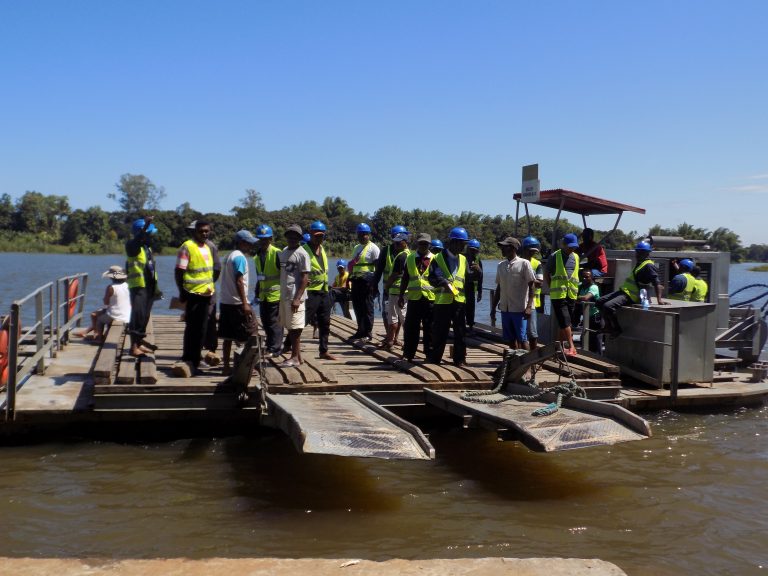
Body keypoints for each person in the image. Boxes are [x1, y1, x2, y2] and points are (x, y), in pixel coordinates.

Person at [596, 241, 664, 337]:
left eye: (641, 252)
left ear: (647, 253)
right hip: (624, 292)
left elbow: (657, 283)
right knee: (599, 302)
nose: (637, 254)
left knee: (608, 306)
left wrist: (659, 300)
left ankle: (616, 329)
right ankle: (608, 326)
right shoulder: (640, 264)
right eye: (637, 252)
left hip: (632, 295)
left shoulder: (648, 266)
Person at [174, 220, 215, 375]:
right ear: (195, 232)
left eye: (206, 231)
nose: (204, 234)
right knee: (192, 328)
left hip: (206, 294)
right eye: (201, 231)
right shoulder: (187, 247)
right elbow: (179, 271)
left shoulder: (207, 247)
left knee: (201, 330)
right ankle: (188, 358)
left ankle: (196, 359)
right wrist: (182, 292)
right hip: (192, 294)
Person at [218, 230, 259, 375]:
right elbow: (239, 280)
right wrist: (245, 303)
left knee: (228, 336)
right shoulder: (240, 258)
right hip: (237, 303)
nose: (250, 246)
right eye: (248, 243)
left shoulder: (228, 256)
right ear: (242, 243)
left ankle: (226, 367)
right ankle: (249, 366)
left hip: (225, 302)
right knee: (252, 333)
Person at [428, 227, 469, 366]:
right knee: (440, 332)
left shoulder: (464, 259)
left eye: (464, 244)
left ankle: (460, 359)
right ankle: (435, 359)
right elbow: (432, 277)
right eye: (461, 243)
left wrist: (477, 273)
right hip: (443, 301)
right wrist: (444, 283)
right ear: (453, 242)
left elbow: (467, 278)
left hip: (459, 302)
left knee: (460, 332)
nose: (463, 246)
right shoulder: (438, 258)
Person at [187, 220, 222, 366]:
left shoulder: (210, 246)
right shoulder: (190, 246)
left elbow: (217, 268)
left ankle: (210, 349)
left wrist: (209, 284)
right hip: (193, 292)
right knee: (194, 321)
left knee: (208, 319)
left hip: (207, 291)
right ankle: (195, 352)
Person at [125, 216, 160, 357]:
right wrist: (146, 226)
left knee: (145, 316)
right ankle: (133, 347)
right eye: (149, 233)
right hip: (138, 286)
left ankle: (139, 344)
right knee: (138, 315)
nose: (152, 236)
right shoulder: (132, 246)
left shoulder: (147, 248)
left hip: (149, 286)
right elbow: (138, 238)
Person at [303, 220, 337, 360]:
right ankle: (288, 345)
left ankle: (324, 351)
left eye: (322, 236)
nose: (319, 238)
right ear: (310, 234)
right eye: (316, 235)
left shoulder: (322, 249)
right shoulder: (303, 250)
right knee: (302, 321)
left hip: (323, 291)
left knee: (325, 322)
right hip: (310, 292)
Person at [492, 237, 535, 350]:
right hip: (505, 309)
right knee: (510, 339)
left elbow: (532, 286)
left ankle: (527, 365)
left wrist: (529, 306)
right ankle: (514, 363)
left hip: (519, 309)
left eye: (504, 247)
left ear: (512, 248)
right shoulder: (500, 265)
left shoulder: (524, 263)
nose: (502, 249)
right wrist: (493, 308)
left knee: (522, 338)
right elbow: (499, 288)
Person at [398, 233, 435, 362]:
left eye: (426, 243)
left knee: (429, 327)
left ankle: (429, 354)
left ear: (429, 245)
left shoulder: (435, 259)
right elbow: (405, 278)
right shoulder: (410, 258)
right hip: (414, 299)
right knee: (411, 327)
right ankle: (408, 353)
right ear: (417, 244)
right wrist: (401, 295)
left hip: (430, 298)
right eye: (421, 243)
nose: (423, 246)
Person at [277, 224, 310, 367]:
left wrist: (297, 298)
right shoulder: (284, 252)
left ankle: (295, 357)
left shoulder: (302, 253)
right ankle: (299, 357)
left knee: (295, 327)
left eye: (295, 236)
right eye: (289, 235)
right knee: (290, 326)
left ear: (299, 238)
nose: (291, 238)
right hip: (284, 295)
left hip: (295, 297)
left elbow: (304, 278)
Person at [544, 233, 581, 355]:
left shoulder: (576, 257)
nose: (572, 249)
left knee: (564, 322)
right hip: (558, 295)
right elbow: (546, 274)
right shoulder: (555, 256)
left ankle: (558, 346)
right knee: (565, 321)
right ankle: (571, 347)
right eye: (569, 246)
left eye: (574, 247)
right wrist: (551, 288)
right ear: (563, 245)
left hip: (571, 294)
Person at [77, 266, 131, 342]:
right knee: (97, 314)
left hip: (116, 315)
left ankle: (98, 338)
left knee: (100, 320)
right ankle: (92, 333)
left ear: (112, 277)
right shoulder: (127, 285)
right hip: (127, 314)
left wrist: (105, 300)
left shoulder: (111, 287)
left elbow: (106, 302)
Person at [373, 225, 409, 339]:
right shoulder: (385, 251)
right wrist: (374, 286)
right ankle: (390, 337)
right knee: (387, 314)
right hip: (388, 289)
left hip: (402, 290)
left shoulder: (408, 254)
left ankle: (394, 338)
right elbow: (378, 270)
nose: (396, 243)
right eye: (394, 239)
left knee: (400, 315)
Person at [254, 224, 284, 357]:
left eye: (266, 239)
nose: (263, 241)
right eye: (261, 239)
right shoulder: (257, 256)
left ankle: (275, 349)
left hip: (276, 294)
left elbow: (284, 274)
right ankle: (269, 345)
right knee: (266, 323)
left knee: (274, 323)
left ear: (271, 239)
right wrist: (256, 293)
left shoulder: (277, 253)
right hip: (263, 295)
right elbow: (260, 277)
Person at [348, 223, 380, 342]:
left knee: (367, 307)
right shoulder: (356, 247)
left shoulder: (374, 248)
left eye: (364, 234)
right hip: (356, 281)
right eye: (360, 234)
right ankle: (360, 330)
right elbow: (353, 265)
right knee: (357, 307)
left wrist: (374, 284)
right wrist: (349, 278)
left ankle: (368, 332)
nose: (362, 237)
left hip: (367, 282)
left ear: (369, 235)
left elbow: (378, 267)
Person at [381, 233, 410, 349]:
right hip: (406, 291)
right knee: (403, 317)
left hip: (396, 291)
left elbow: (394, 275)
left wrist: (386, 286)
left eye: (398, 242)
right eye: (395, 242)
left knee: (393, 317)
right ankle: (398, 341)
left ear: (405, 242)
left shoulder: (401, 256)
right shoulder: (411, 255)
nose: (396, 245)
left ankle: (390, 341)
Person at [521, 236, 544, 349]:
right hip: (518, 300)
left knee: (532, 331)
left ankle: (534, 356)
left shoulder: (537, 264)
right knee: (521, 332)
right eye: (531, 251)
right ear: (524, 249)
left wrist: (527, 279)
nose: (533, 254)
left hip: (533, 301)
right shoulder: (518, 262)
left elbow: (540, 283)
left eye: (535, 252)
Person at [577, 269, 601, 353]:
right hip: (586, 316)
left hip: (594, 317)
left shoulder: (594, 287)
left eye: (587, 277)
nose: (584, 279)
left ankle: (598, 358)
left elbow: (585, 298)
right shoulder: (581, 286)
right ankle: (585, 354)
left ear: (591, 278)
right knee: (583, 338)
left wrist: (575, 298)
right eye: (583, 277)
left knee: (594, 339)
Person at [464, 239, 483, 333]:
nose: (473, 252)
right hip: (462, 288)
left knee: (471, 309)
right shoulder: (462, 258)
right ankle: (461, 327)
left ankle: (470, 326)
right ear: (467, 249)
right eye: (471, 250)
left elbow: (481, 276)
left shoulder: (478, 260)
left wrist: (480, 292)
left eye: (475, 250)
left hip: (471, 288)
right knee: (461, 309)